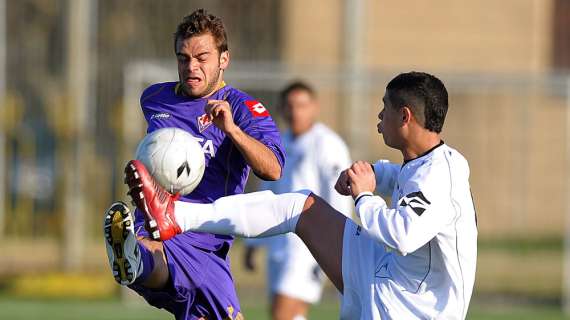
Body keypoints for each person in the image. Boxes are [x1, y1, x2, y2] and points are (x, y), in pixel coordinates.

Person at [123, 71, 478, 319]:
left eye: (385, 107)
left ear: (406, 116)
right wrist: (372, 174)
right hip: (387, 277)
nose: (379, 115)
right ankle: (177, 215)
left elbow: (403, 234)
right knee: (302, 206)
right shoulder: (429, 163)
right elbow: (403, 179)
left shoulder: (439, 175)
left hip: (411, 309)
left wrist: (365, 197)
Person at [103, 9, 285, 320]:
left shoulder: (242, 108)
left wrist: (232, 130)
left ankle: (137, 259)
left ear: (223, 59)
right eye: (183, 58)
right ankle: (138, 256)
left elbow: (272, 169)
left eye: (202, 57)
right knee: (162, 251)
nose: (191, 66)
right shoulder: (155, 98)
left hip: (207, 236)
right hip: (165, 228)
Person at [243, 81, 352, 320]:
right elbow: (266, 191)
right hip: (279, 242)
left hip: (310, 245)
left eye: (302, 105)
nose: (295, 111)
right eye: (290, 105)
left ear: (314, 107)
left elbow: (339, 196)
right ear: (281, 108)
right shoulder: (279, 143)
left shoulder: (327, 144)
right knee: (289, 315)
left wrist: (337, 245)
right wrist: (252, 245)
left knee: (283, 312)